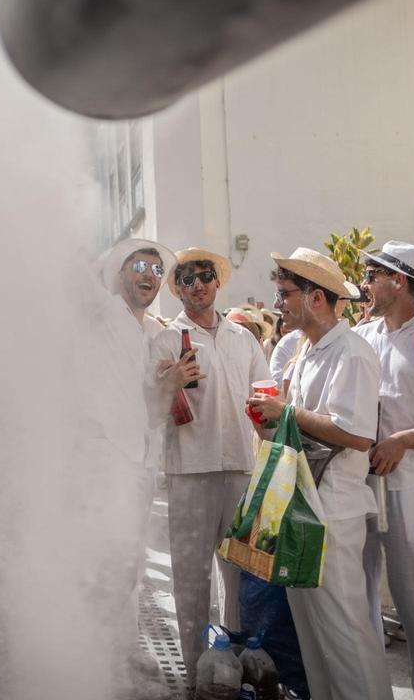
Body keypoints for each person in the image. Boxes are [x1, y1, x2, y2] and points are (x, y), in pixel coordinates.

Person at [249, 247, 391, 700]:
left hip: (333, 512)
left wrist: (285, 411)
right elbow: (303, 422)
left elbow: (356, 434)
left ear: (315, 298)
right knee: (313, 633)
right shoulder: (307, 352)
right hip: (305, 507)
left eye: (285, 293)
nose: (278, 304)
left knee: (345, 631)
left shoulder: (351, 353)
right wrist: (272, 420)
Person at [148, 247, 269, 689]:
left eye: (204, 275)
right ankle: (200, 674)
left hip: (239, 467)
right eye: (186, 278)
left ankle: (237, 666)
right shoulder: (164, 340)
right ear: (177, 288)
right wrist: (167, 384)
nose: (197, 283)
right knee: (191, 579)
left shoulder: (244, 339)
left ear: (217, 282)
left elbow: (265, 400)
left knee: (240, 576)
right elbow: (147, 408)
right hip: (188, 472)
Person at [355, 241, 414, 700]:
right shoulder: (365, 336)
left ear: (400, 281)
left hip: (412, 485)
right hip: (363, 479)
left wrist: (404, 441)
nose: (366, 283)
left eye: (373, 274)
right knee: (361, 592)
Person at [91, 238, 175, 696]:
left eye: (157, 270)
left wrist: (171, 385)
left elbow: (149, 409)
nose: (149, 275)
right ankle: (100, 667)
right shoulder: (102, 320)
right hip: (106, 464)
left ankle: (117, 658)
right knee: (108, 567)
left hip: (137, 462)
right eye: (140, 265)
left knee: (129, 566)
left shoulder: (145, 331)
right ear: (119, 271)